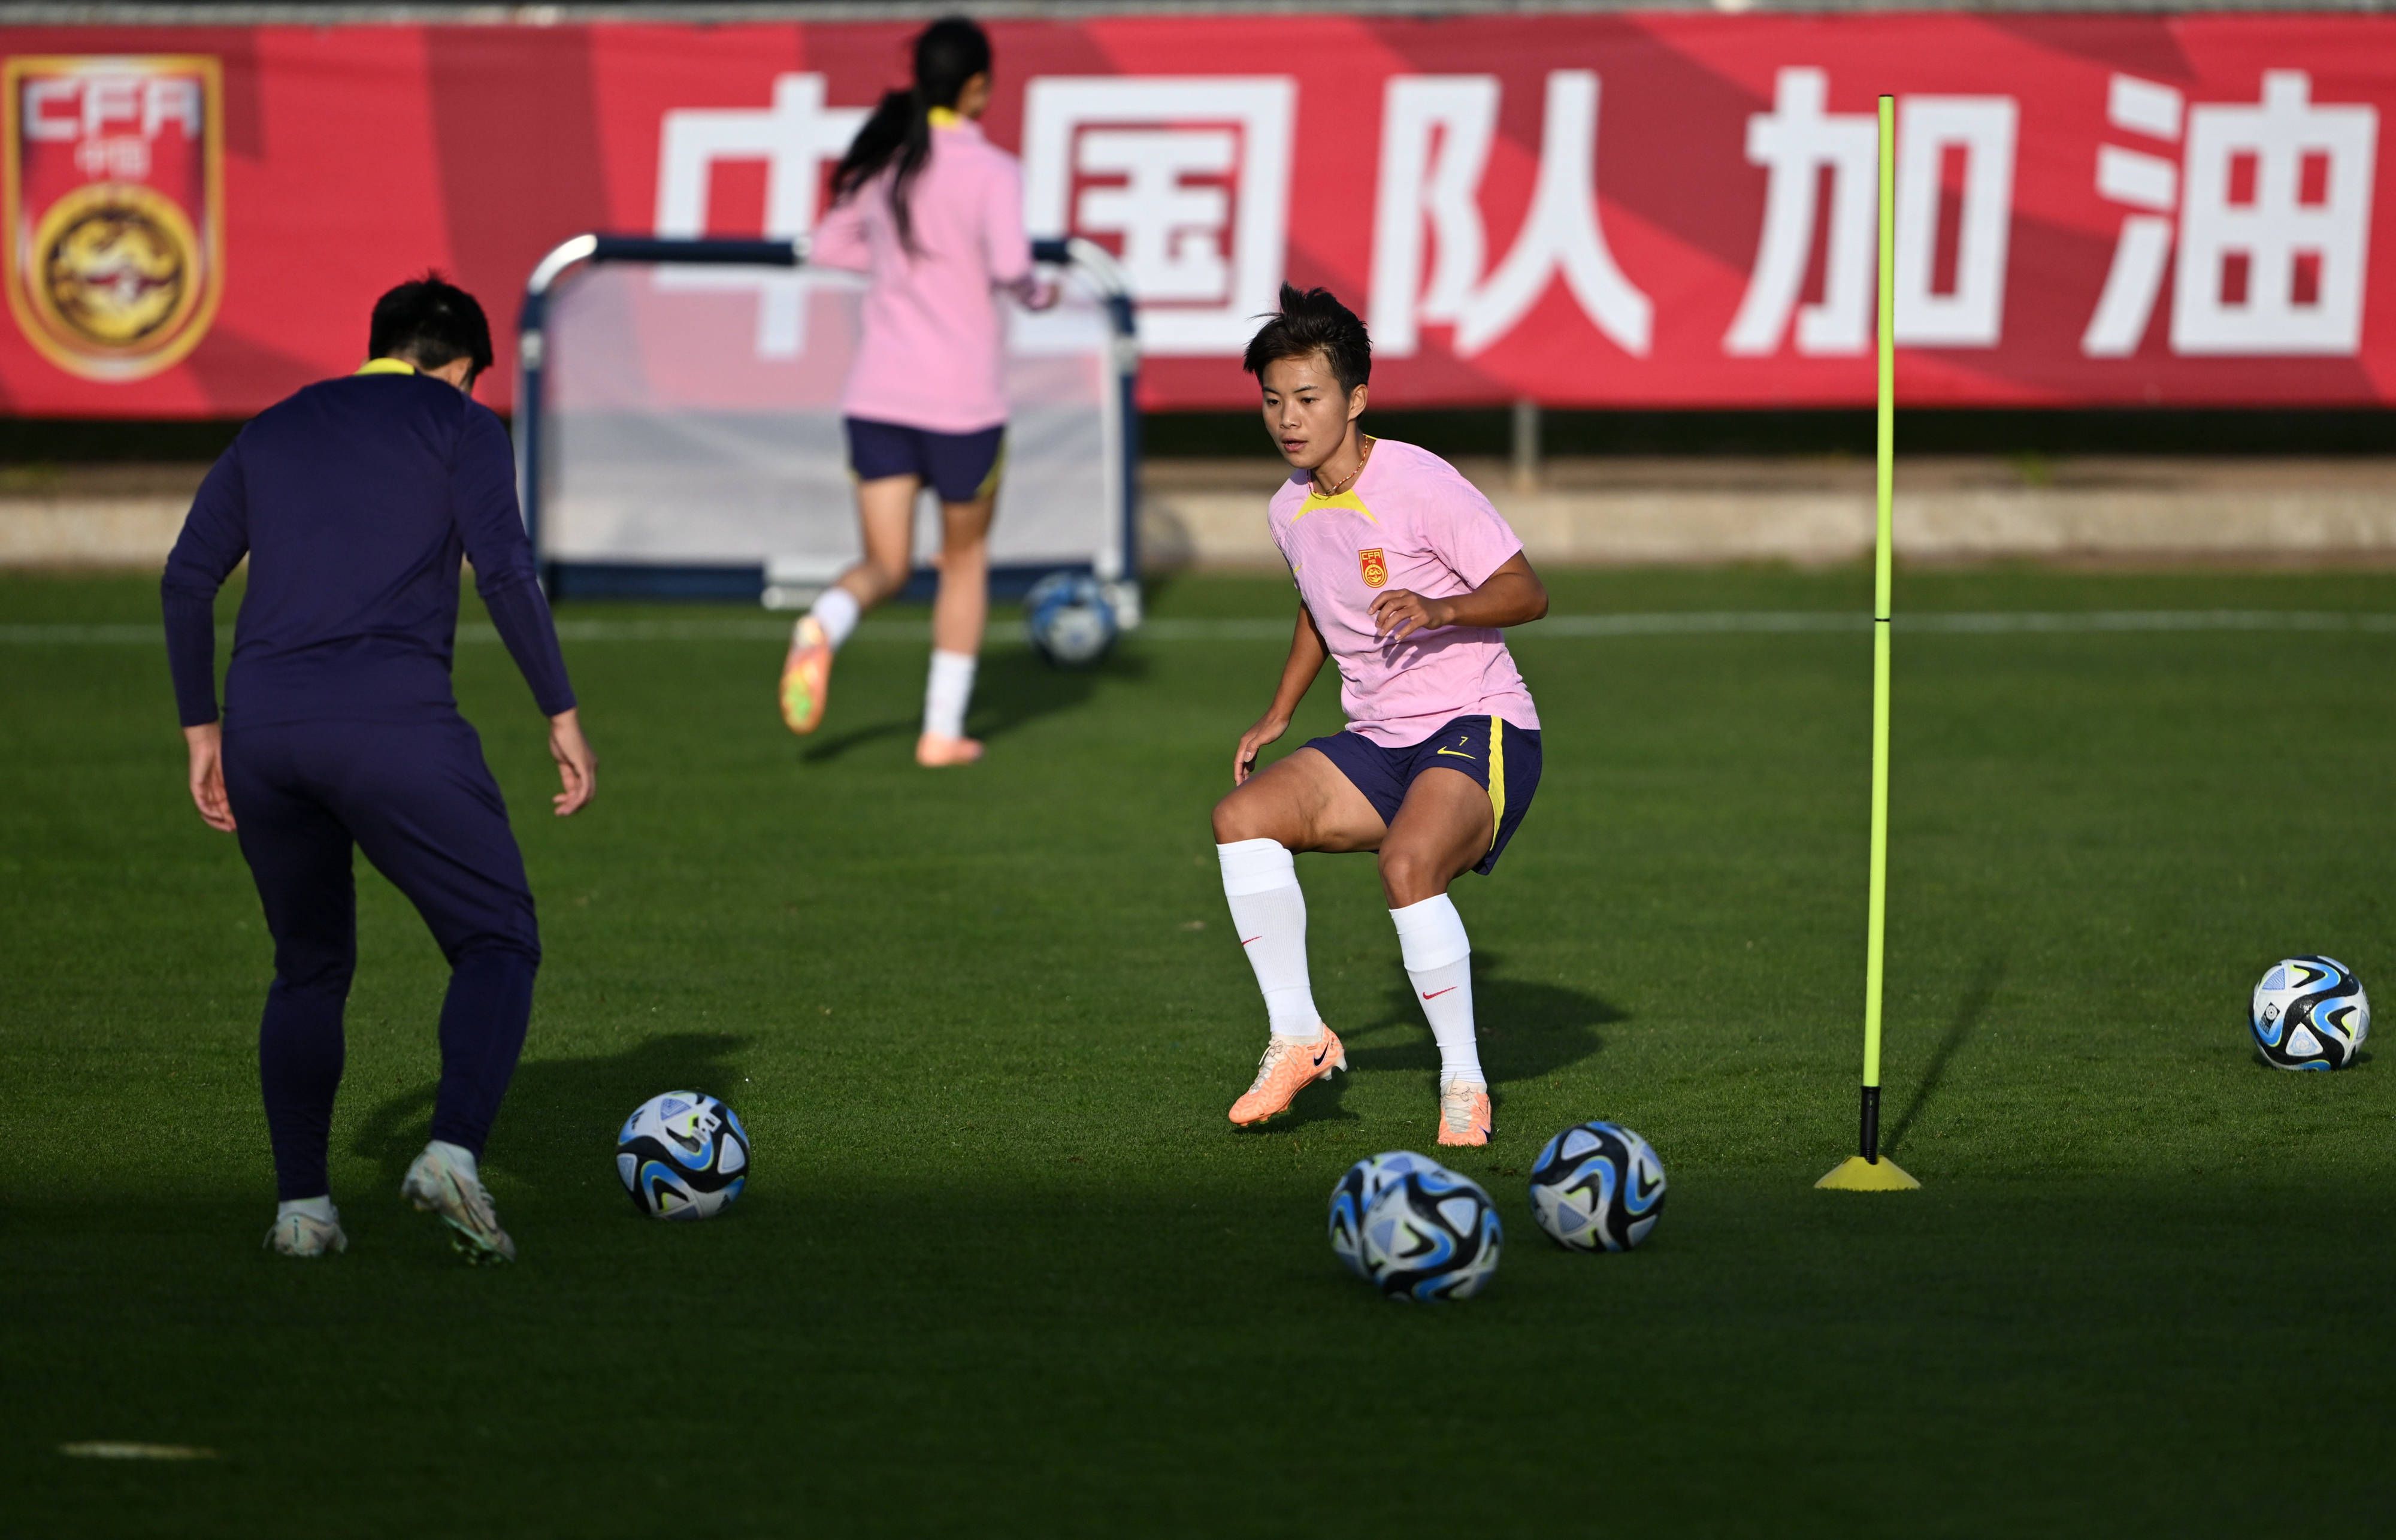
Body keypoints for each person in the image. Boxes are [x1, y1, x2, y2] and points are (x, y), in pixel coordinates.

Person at [161, 274, 594, 1263]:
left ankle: (303, 1214)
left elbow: (186, 577)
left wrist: (202, 731)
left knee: (309, 967)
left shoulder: (271, 427)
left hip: (264, 733)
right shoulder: (462, 425)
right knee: (497, 938)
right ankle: (450, 1156)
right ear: (462, 368)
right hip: (393, 726)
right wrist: (559, 711)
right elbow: (508, 569)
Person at [1209, 285, 1549, 1148]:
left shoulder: (1420, 480)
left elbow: (1526, 591)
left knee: (1407, 864)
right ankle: (1299, 1035)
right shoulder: (1290, 507)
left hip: (1481, 725)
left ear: (1356, 399)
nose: (1289, 418)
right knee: (1240, 819)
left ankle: (1465, 1083)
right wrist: (1278, 710)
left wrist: (1441, 609)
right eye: (1273, 400)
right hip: (1379, 740)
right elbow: (1320, 611)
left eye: (1309, 398)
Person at [778, 14, 1056, 767]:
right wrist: (1039, 294)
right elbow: (1009, 268)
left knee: (884, 565)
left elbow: (830, 244)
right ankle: (939, 732)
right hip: (962, 401)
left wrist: (901, 265)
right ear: (976, 87)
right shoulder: (992, 172)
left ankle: (824, 624)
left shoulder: (890, 166)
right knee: (962, 563)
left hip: (878, 394)